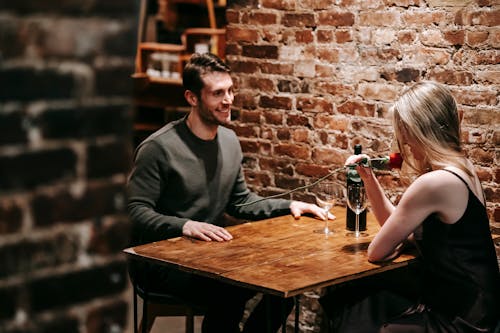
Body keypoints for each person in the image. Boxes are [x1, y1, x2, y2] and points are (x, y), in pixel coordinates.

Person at [127, 52, 326, 333]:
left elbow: (240, 202)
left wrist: (290, 205)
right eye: (218, 93)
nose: (228, 99)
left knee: (287, 279)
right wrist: (185, 226)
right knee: (229, 287)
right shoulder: (158, 148)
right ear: (192, 98)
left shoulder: (230, 140)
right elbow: (135, 211)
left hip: (210, 255)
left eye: (231, 90)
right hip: (161, 263)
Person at [320, 81, 499, 332]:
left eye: (403, 132)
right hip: (479, 305)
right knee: (362, 297)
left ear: (417, 130)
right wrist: (368, 177)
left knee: (353, 303)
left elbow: (376, 252)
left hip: (461, 319)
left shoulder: (433, 183)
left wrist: (399, 242)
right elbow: (394, 224)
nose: (403, 142)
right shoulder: (462, 167)